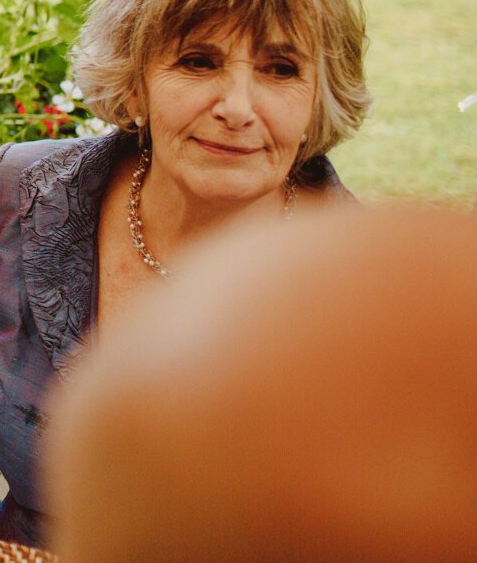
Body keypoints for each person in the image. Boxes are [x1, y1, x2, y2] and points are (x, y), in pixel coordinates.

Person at [0, 0, 371, 545]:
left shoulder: (372, 287)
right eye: (198, 61)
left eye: (280, 69)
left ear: (322, 95)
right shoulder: (20, 190)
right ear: (135, 80)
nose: (237, 108)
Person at [44, 204, 477, 563]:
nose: (236, 110)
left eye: (279, 91)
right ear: (137, 97)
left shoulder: (372, 302)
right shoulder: (30, 190)